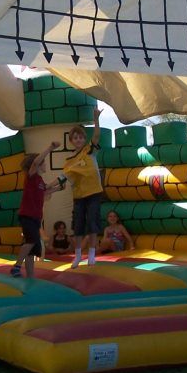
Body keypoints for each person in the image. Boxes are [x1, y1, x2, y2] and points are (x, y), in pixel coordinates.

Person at [10, 142, 64, 277]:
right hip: (27, 215)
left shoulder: (40, 180)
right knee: (31, 241)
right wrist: (50, 148)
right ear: (38, 165)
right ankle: (16, 266)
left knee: (33, 250)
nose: (45, 165)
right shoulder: (32, 177)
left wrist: (58, 188)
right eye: (43, 163)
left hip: (35, 218)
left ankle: (30, 276)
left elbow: (45, 192)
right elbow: (35, 162)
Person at [63, 106, 104, 268]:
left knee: (93, 222)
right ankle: (78, 255)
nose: (78, 140)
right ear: (71, 141)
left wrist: (96, 120)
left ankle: (92, 254)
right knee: (78, 225)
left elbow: (97, 136)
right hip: (79, 196)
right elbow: (64, 177)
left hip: (94, 192)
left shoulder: (89, 150)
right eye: (75, 138)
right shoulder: (69, 161)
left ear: (84, 139)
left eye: (80, 137)